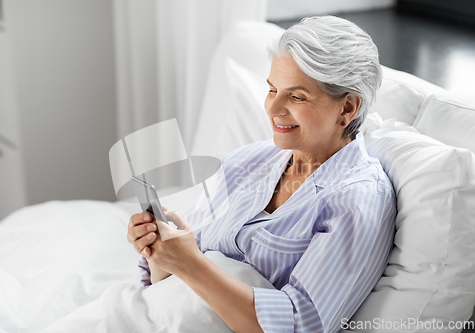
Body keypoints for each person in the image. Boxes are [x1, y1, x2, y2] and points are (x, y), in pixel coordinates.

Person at [127, 15, 396, 333]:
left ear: (348, 108)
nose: (271, 108)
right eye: (272, 90)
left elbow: (300, 325)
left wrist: (190, 261)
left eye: (296, 97)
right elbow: (169, 287)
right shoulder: (244, 162)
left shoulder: (357, 200)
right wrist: (162, 252)